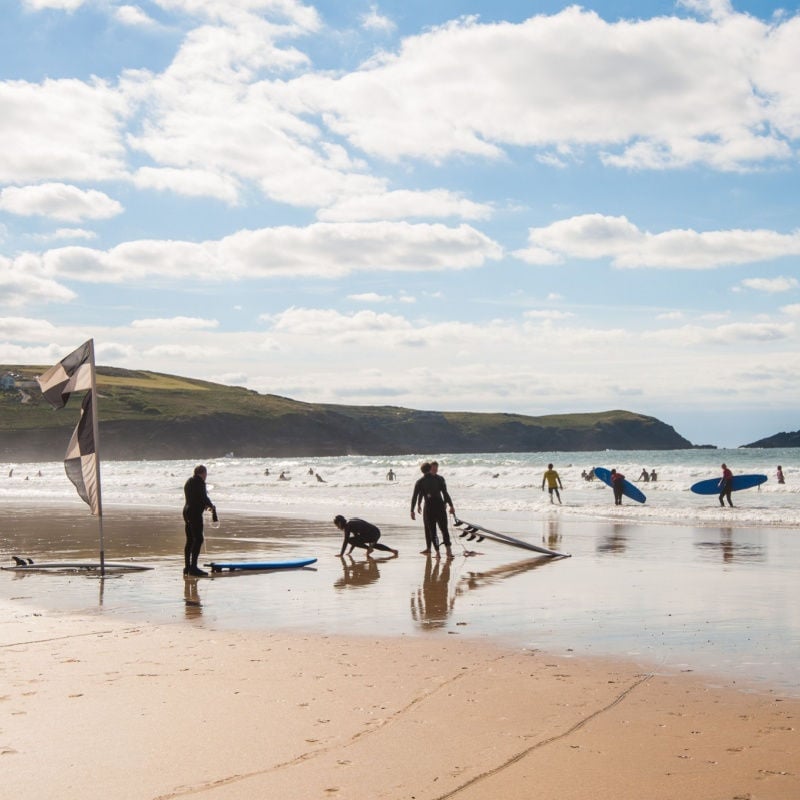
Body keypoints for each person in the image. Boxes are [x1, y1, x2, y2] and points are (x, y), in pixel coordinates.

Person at [411, 461, 455, 558]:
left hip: (429, 509)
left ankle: (438, 553)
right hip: (440, 507)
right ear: (430, 468)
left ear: (421, 471)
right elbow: (445, 493)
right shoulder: (439, 479)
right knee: (444, 530)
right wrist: (451, 505)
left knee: (433, 532)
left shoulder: (420, 482)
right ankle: (449, 551)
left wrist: (412, 510)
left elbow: (415, 496)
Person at [183, 464, 216, 577]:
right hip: (194, 513)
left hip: (186, 511)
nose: (206, 476)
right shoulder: (200, 482)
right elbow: (203, 497)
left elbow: (195, 497)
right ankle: (194, 567)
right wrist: (211, 506)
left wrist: (205, 505)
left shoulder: (189, 481)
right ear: (203, 473)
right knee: (199, 539)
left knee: (190, 540)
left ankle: (187, 567)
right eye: (205, 474)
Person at [333, 515, 398, 556]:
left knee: (350, 540)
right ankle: (393, 551)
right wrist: (350, 550)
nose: (338, 528)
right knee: (374, 545)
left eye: (337, 526)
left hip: (371, 534)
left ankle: (369, 548)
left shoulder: (348, 527)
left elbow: (346, 541)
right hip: (376, 532)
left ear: (339, 523)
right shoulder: (351, 522)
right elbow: (356, 539)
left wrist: (341, 554)